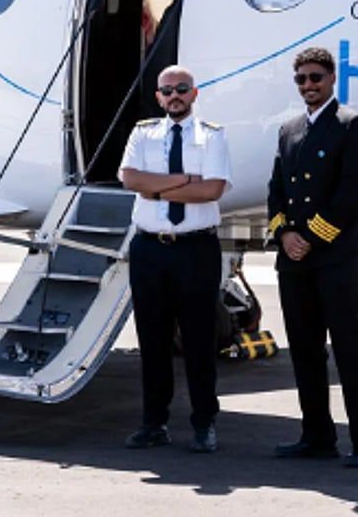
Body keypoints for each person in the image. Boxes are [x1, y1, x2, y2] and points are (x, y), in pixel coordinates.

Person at [267, 46, 358, 468]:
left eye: (315, 77)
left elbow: (350, 193)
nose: (308, 85)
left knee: (349, 347)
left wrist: (309, 238)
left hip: (339, 256)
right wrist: (284, 234)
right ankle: (316, 435)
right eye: (301, 79)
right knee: (304, 349)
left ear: (332, 78)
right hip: (295, 259)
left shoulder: (353, 126)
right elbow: (276, 190)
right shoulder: (289, 130)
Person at [118, 65, 232, 454]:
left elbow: (212, 190)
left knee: (199, 341)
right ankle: (154, 423)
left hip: (195, 249)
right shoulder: (143, 133)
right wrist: (184, 181)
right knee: (152, 341)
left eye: (182, 88)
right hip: (149, 249)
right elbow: (130, 179)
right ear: (158, 97)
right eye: (167, 91)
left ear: (194, 93)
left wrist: (156, 188)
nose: (174, 96)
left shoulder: (212, 135)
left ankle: (204, 424)